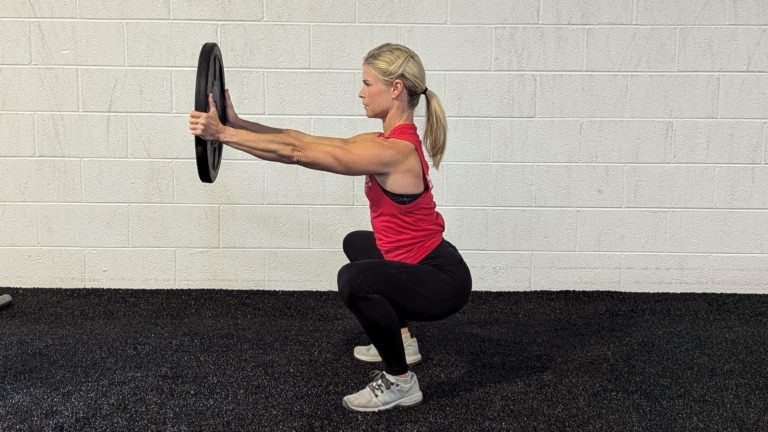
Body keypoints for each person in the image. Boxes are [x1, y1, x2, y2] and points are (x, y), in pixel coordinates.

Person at [189, 43, 472, 412]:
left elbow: (298, 155)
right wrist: (235, 124)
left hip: (442, 281)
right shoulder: (385, 141)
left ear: (396, 88)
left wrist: (222, 136)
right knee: (358, 243)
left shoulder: (395, 152)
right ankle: (402, 337)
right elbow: (298, 141)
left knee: (355, 279)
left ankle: (400, 380)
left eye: (368, 83)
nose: (361, 92)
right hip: (424, 266)